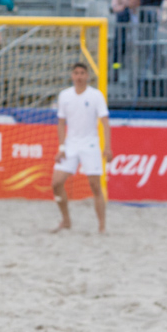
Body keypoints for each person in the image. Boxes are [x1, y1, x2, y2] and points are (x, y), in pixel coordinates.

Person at [50, 61, 112, 233]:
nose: (79, 76)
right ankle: (66, 220)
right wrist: (61, 147)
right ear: (72, 75)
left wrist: (107, 146)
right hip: (70, 144)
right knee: (56, 182)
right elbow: (61, 124)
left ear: (87, 76)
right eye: (76, 73)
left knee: (95, 186)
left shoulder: (96, 95)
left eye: (82, 73)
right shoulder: (65, 96)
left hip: (90, 143)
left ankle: (101, 226)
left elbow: (105, 122)